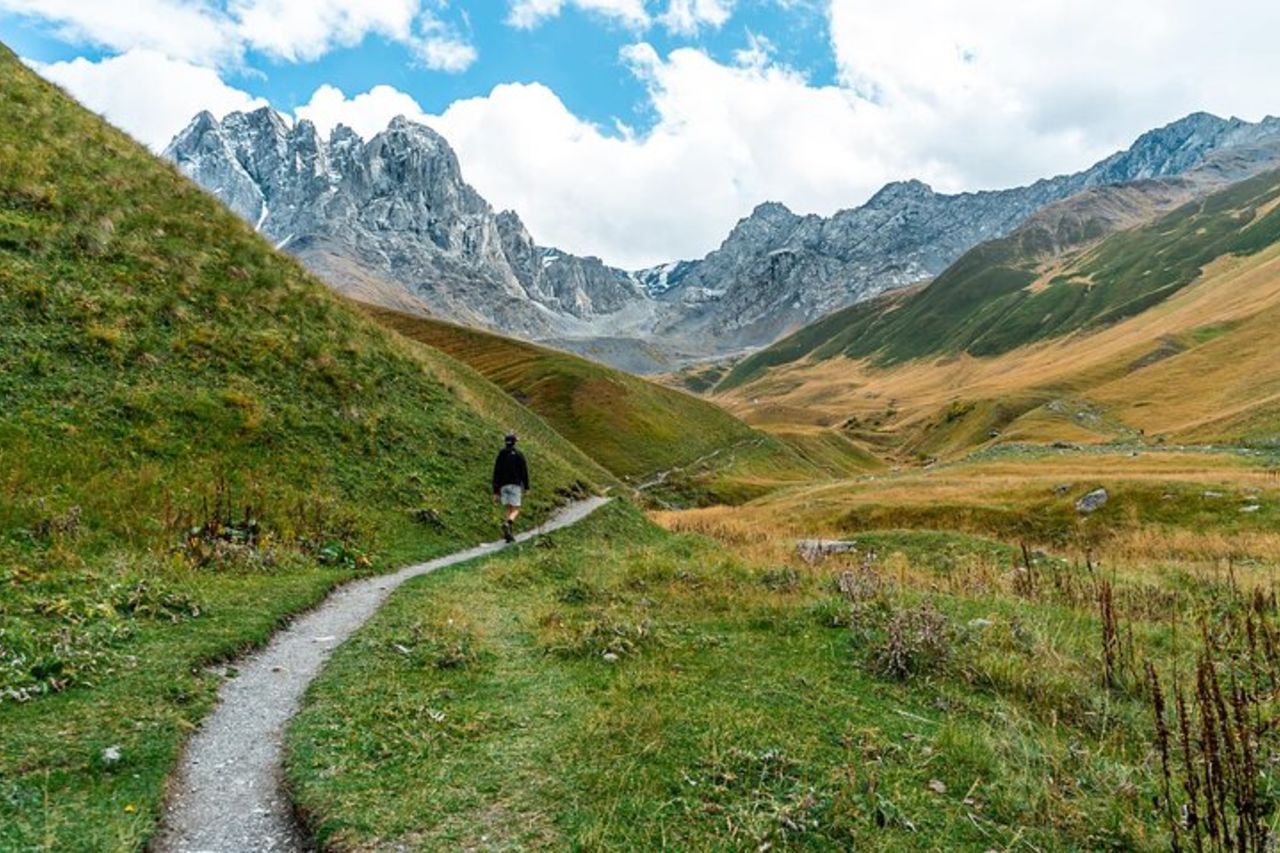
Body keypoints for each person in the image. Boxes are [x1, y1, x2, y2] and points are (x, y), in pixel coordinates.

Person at [491, 432, 529, 543]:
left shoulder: (501, 454)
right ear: (514, 443)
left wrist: (496, 491)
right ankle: (508, 523)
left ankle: (508, 535)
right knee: (516, 509)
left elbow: (496, 471)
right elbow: (524, 472)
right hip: (515, 485)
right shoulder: (519, 454)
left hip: (503, 486)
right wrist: (526, 487)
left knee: (509, 508)